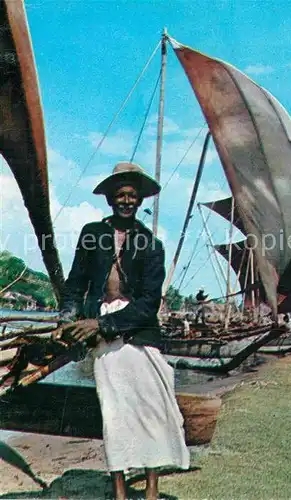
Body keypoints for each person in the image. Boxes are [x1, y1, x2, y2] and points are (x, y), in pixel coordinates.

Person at [53, 162, 189, 500]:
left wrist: (100, 323)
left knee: (152, 408)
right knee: (114, 412)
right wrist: (66, 319)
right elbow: (75, 285)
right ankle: (119, 489)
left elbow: (148, 303)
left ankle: (152, 487)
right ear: (110, 199)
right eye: (120, 195)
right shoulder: (92, 234)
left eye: (131, 195)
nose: (126, 201)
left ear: (140, 199)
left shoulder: (151, 244)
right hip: (102, 338)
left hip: (139, 332)